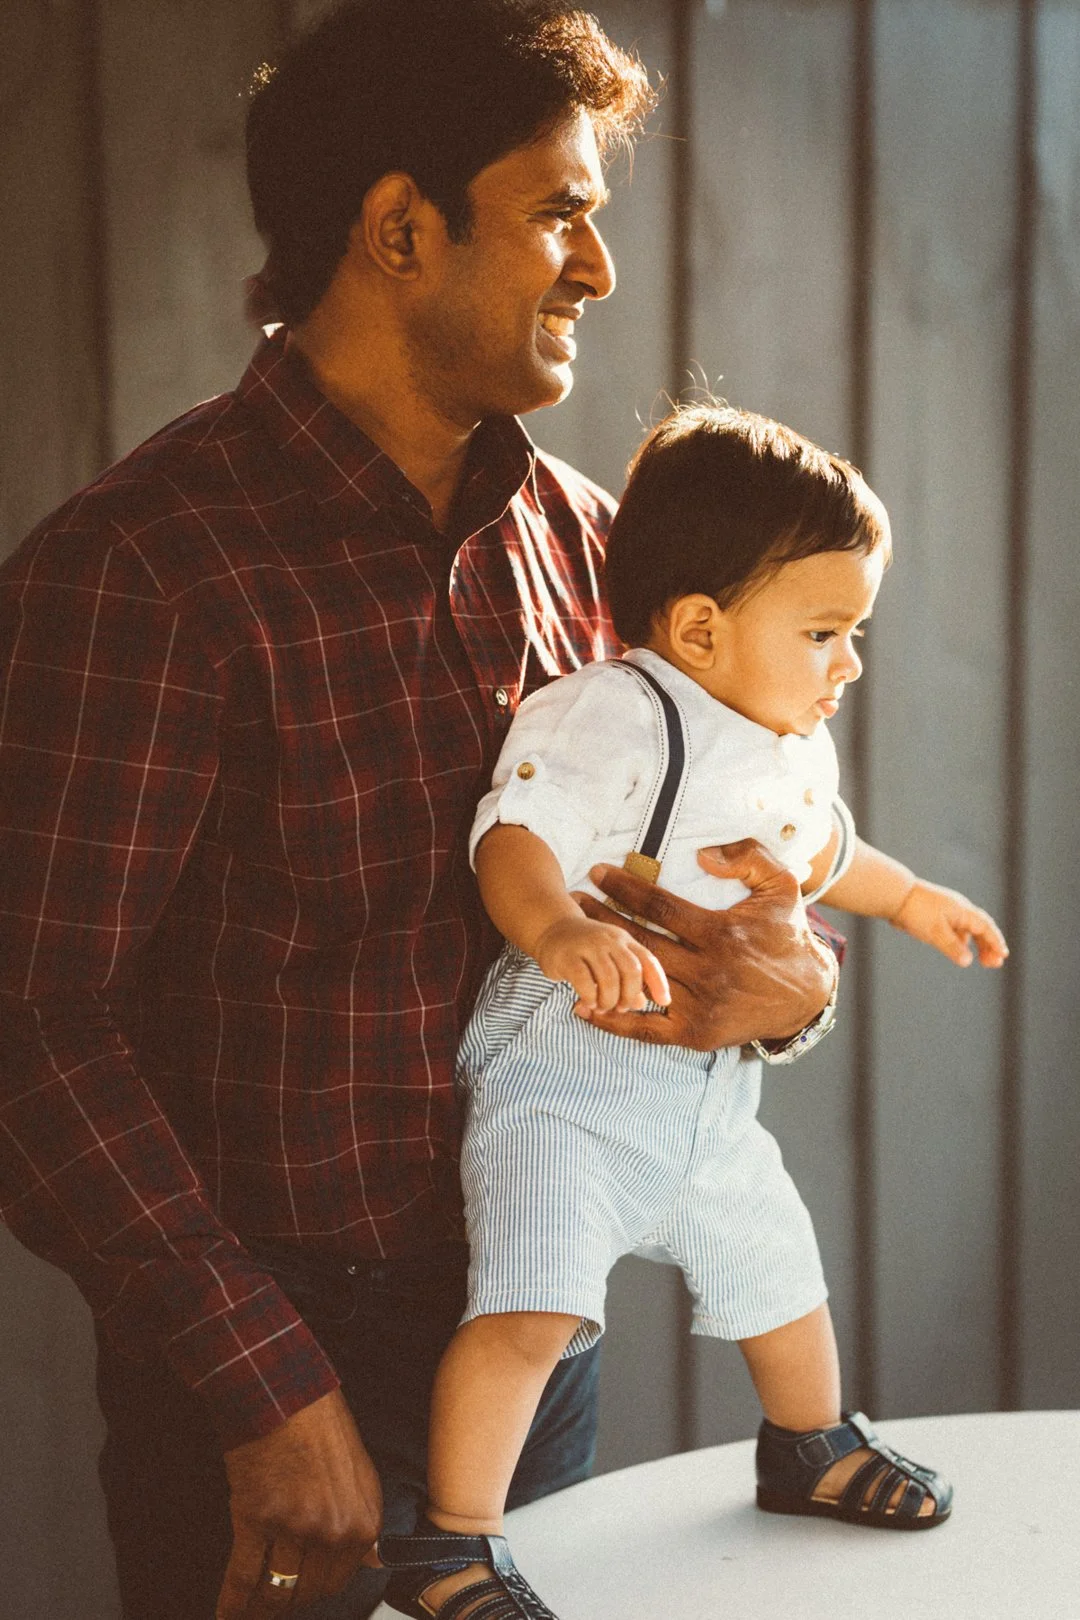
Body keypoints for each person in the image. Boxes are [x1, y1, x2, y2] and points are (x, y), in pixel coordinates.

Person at [0, 5, 842, 1618]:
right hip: (265, 1385)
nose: (597, 267)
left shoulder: (609, 557)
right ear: (400, 229)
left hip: (533, 1316)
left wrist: (790, 989)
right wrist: (261, 1384)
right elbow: (35, 1024)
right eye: (557, 211)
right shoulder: (143, 575)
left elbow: (762, 855)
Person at [374, 405, 1008, 1620]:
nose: (850, 664)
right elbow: (515, 837)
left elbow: (833, 856)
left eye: (855, 632)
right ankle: (449, 1541)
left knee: (781, 1267)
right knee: (532, 1305)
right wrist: (560, 930)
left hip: (706, 1098)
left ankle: (808, 1443)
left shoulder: (784, 751)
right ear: (702, 626)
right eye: (826, 631)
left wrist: (914, 898)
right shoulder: (617, 712)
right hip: (564, 1079)